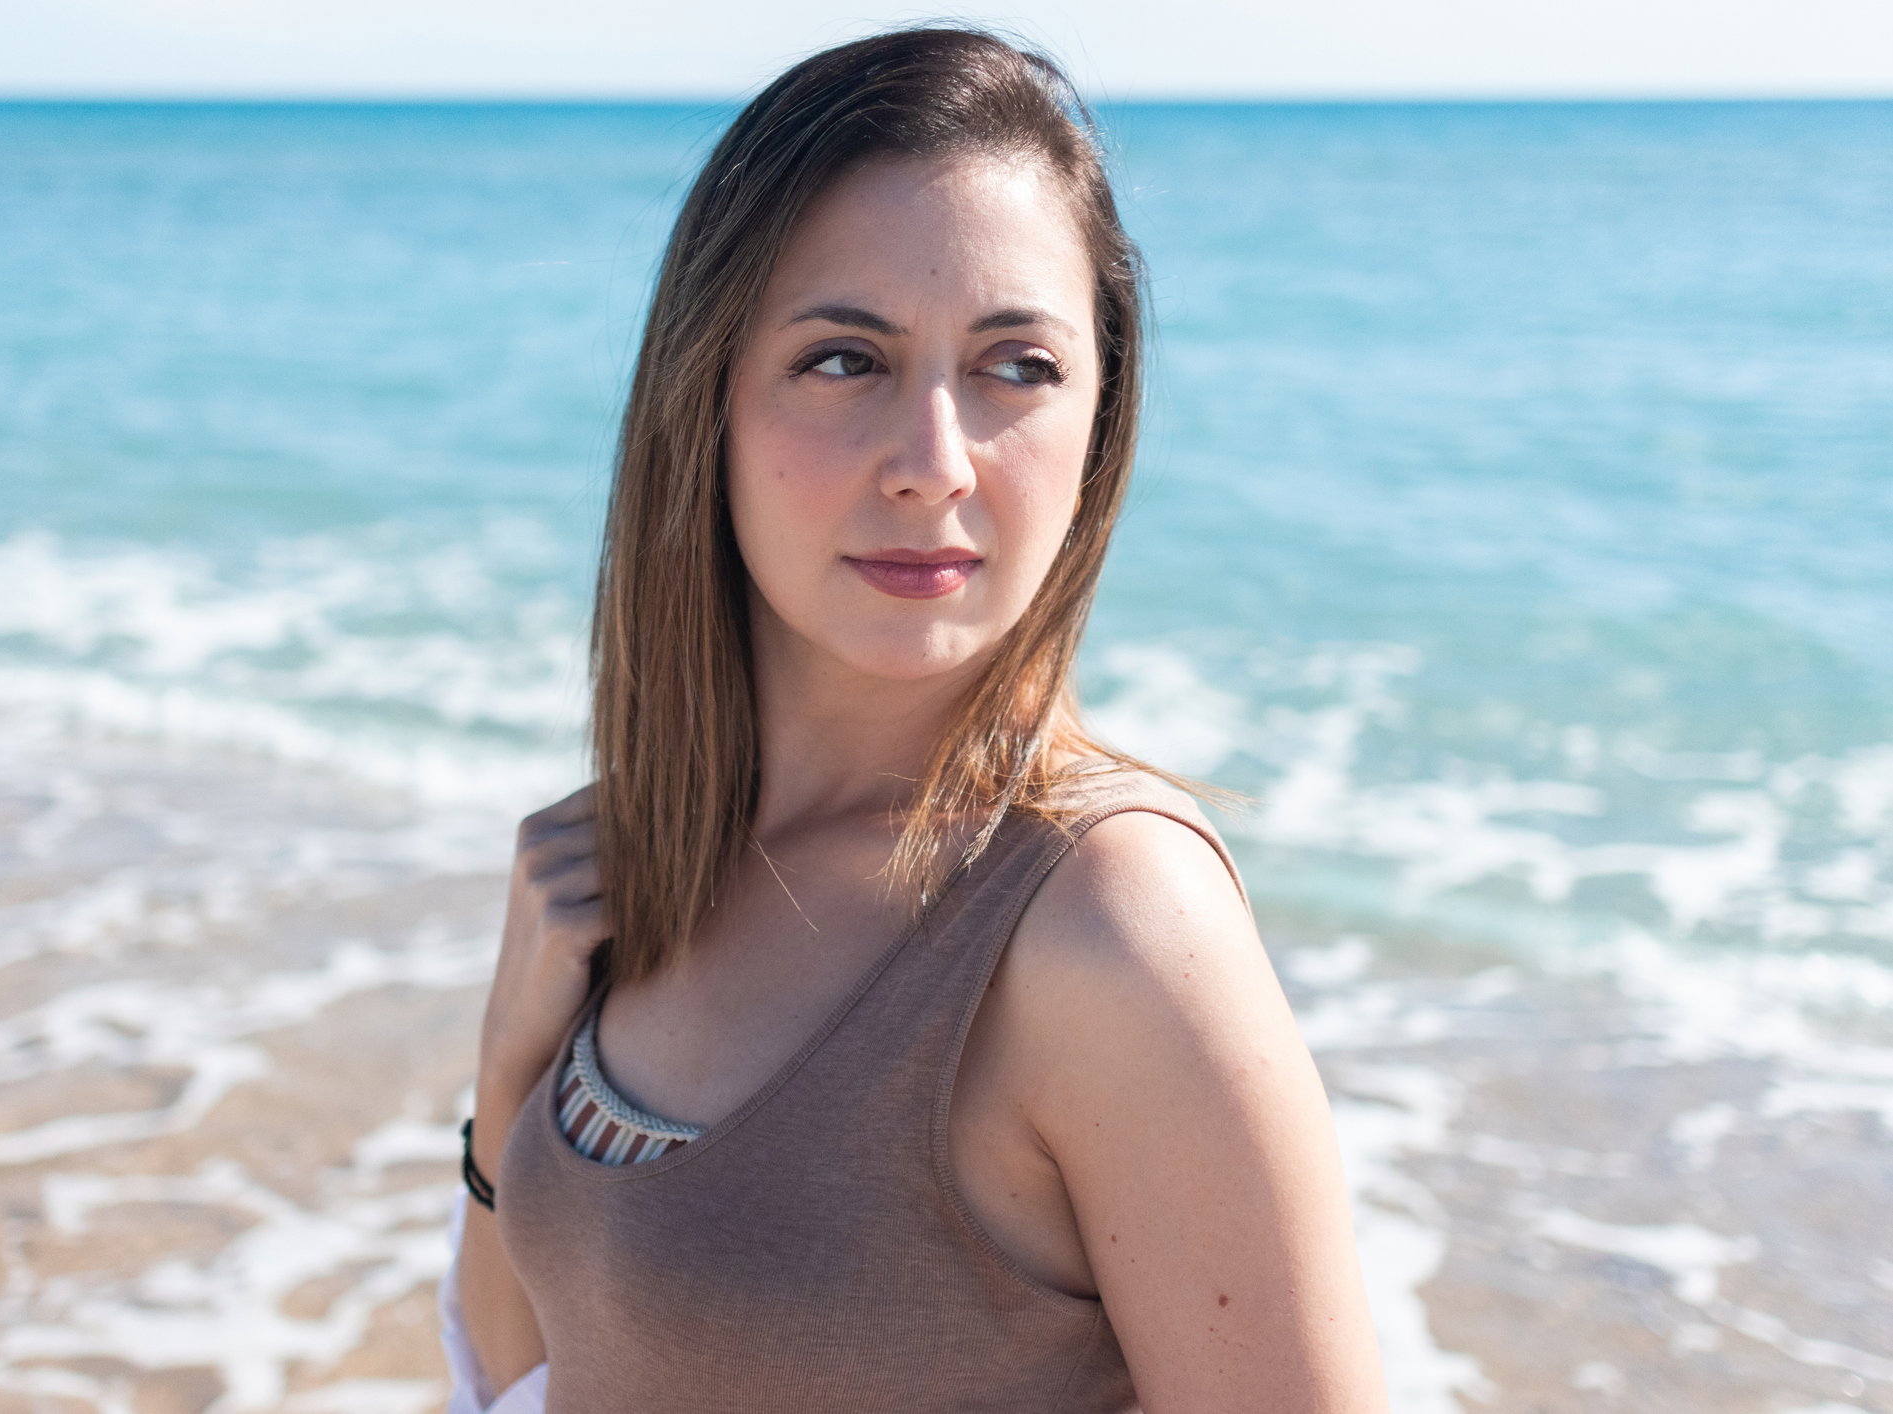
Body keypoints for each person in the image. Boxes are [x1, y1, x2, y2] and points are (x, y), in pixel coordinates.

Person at [439, 26, 1388, 1413]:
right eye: (844, 361)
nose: (933, 464)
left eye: (1015, 367)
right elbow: (517, 1376)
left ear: (1098, 417)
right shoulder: (654, 851)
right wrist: (508, 1066)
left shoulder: (1109, 925)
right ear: (706, 398)